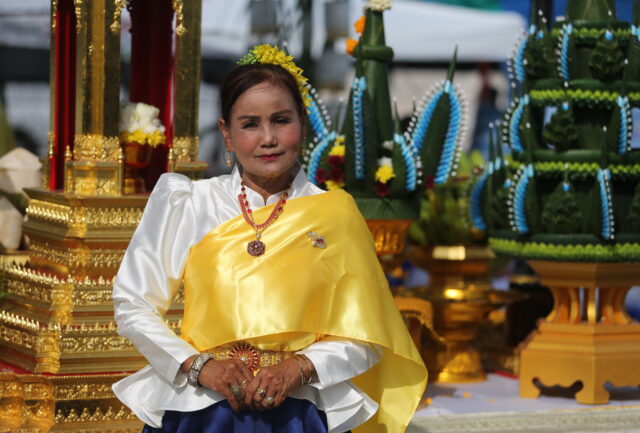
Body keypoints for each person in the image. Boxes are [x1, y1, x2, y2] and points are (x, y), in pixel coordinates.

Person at [112, 45, 426, 433]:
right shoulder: (191, 202)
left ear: (303, 126)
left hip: (299, 413)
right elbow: (134, 303)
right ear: (226, 134)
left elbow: (367, 334)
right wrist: (200, 366)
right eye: (249, 124)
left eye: (281, 120)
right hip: (203, 411)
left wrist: (300, 367)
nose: (268, 138)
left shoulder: (335, 214)